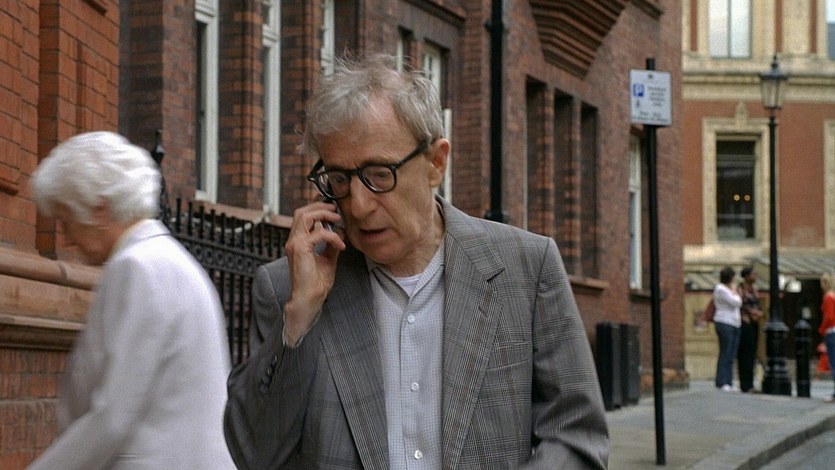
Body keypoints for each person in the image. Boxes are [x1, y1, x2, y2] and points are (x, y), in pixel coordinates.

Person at [225, 54, 609, 469]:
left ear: (436, 163)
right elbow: (254, 455)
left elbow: (576, 436)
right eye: (339, 179)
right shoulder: (288, 289)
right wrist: (298, 322)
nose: (358, 205)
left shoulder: (525, 270)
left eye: (379, 174)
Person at [28, 131, 236, 469]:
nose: (66, 239)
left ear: (99, 209)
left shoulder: (136, 268)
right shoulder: (173, 261)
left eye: (66, 220)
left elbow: (112, 414)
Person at [713, 266, 742, 391]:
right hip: (725, 322)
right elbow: (736, 302)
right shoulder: (720, 289)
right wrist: (734, 291)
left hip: (734, 323)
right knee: (725, 352)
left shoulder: (727, 290)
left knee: (731, 354)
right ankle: (722, 381)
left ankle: (728, 381)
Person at [737, 266, 763, 393]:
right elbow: (740, 305)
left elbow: (759, 304)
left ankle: (751, 383)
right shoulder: (741, 289)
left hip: (754, 323)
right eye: (753, 274)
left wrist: (759, 312)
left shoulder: (754, 290)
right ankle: (745, 384)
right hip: (745, 322)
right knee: (745, 354)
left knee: (752, 354)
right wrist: (752, 312)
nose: (755, 276)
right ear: (746, 276)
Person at [818, 273, 835, 401]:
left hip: (831, 332)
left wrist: (822, 329)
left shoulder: (828, 297)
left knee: (833, 362)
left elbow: (829, 317)